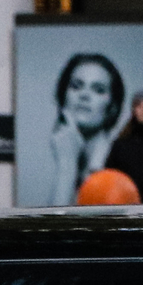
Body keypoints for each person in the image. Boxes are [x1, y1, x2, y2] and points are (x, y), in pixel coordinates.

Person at [48, 52, 126, 204]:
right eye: (76, 86)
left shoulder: (123, 165)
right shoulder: (64, 155)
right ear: (63, 97)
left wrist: (67, 166)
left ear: (112, 107)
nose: (84, 95)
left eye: (98, 90)